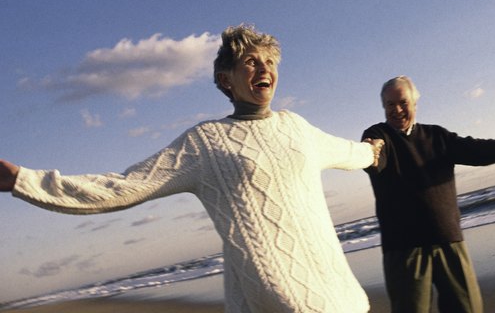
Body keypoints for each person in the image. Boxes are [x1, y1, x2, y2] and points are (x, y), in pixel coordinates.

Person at [0, 24, 384, 313]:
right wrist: (23, 180)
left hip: (340, 291)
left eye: (268, 61)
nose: (263, 68)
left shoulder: (295, 126)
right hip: (279, 298)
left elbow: (349, 153)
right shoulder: (206, 142)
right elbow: (124, 186)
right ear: (225, 80)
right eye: (250, 61)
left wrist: (374, 150)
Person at [361, 75, 495, 313]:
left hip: (447, 238)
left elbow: (478, 152)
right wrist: (370, 151)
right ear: (383, 107)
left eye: (402, 102)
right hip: (403, 247)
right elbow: (374, 157)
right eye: (390, 105)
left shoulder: (437, 136)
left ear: (415, 103)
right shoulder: (378, 135)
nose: (397, 109)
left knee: (468, 307)